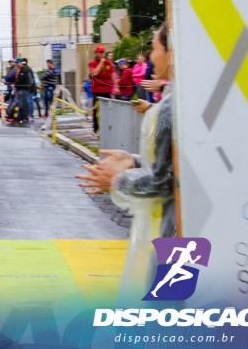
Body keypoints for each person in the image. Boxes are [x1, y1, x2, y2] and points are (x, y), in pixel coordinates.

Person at [76, 24, 174, 303]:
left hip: (172, 234)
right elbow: (171, 165)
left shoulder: (171, 108)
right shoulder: (173, 103)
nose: (150, 57)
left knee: (167, 308)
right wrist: (132, 160)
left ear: (172, 53)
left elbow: (164, 179)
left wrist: (116, 181)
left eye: (154, 48)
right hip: (170, 231)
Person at [88, 46, 116, 133]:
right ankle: (96, 129)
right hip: (97, 90)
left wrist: (116, 86)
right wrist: (101, 62)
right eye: (99, 52)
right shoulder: (92, 63)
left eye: (102, 52)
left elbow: (112, 75)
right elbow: (95, 73)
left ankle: (106, 128)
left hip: (107, 90)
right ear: (96, 53)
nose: (101, 54)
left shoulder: (108, 64)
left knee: (107, 110)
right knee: (96, 110)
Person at [11, 58, 35, 124]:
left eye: (18, 63)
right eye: (16, 63)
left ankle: (25, 117)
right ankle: (20, 117)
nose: (16, 65)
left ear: (21, 63)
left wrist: (15, 85)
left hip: (24, 89)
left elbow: (22, 80)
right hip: (21, 89)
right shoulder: (21, 70)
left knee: (24, 104)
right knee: (20, 104)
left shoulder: (25, 70)